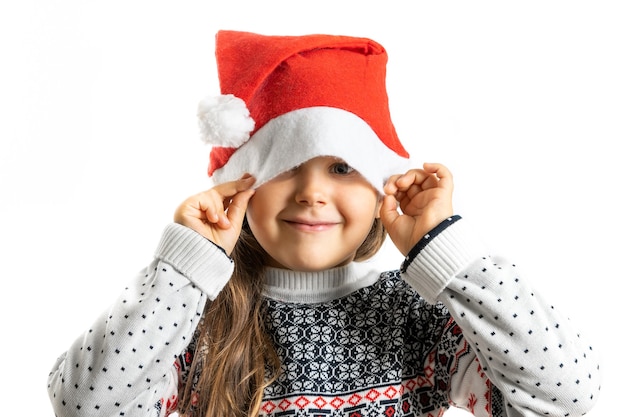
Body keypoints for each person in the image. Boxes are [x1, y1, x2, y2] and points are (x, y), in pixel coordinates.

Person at [47, 30, 600, 417]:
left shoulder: (421, 317)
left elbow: (566, 397)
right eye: (285, 165)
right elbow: (87, 406)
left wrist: (448, 254)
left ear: (383, 185)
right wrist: (184, 267)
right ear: (239, 185)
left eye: (342, 166)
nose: (313, 192)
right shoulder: (195, 320)